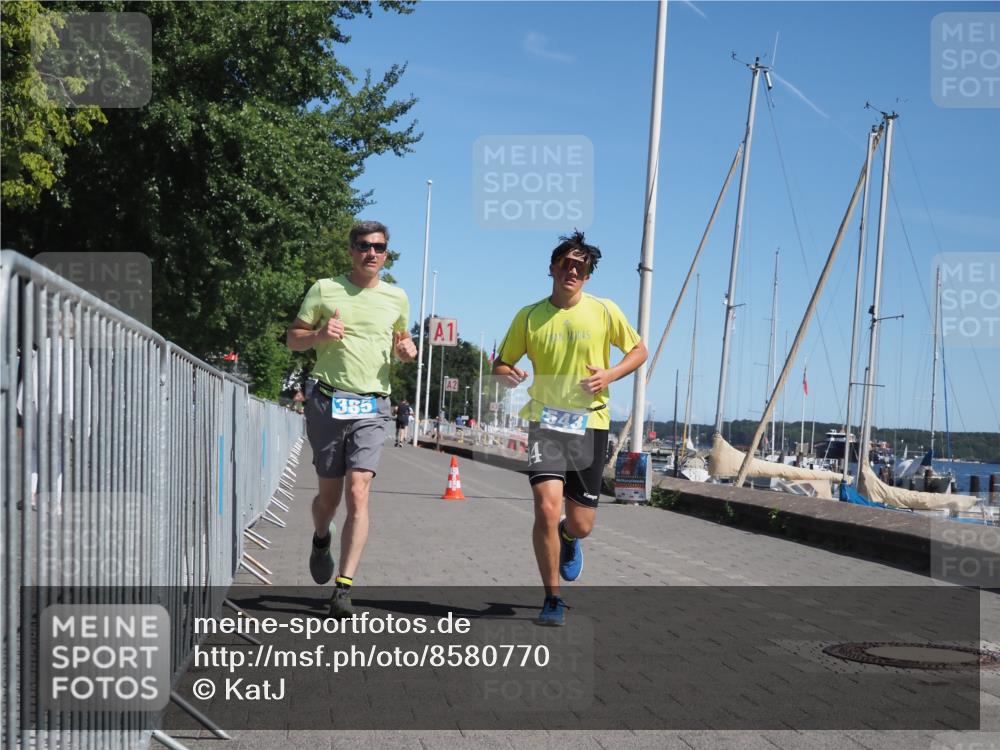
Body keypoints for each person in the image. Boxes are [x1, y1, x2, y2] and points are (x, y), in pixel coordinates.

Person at [492, 231, 647, 626]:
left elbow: (639, 350)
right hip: (545, 422)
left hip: (590, 423)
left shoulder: (604, 310)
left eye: (581, 266)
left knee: (581, 523)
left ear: (588, 275)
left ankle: (568, 537)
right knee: (545, 508)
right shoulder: (529, 316)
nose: (572, 270)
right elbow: (501, 364)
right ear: (552, 268)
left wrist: (609, 375)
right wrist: (509, 374)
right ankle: (552, 598)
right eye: (566, 263)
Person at [285, 220, 417, 617]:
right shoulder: (325, 289)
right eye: (363, 246)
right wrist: (320, 336)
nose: (371, 253)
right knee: (329, 499)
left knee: (358, 491)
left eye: (378, 247)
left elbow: (400, 343)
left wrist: (407, 351)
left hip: (373, 405)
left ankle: (343, 588)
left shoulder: (397, 297)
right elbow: (293, 338)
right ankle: (321, 536)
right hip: (328, 401)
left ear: (386, 253)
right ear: (351, 250)